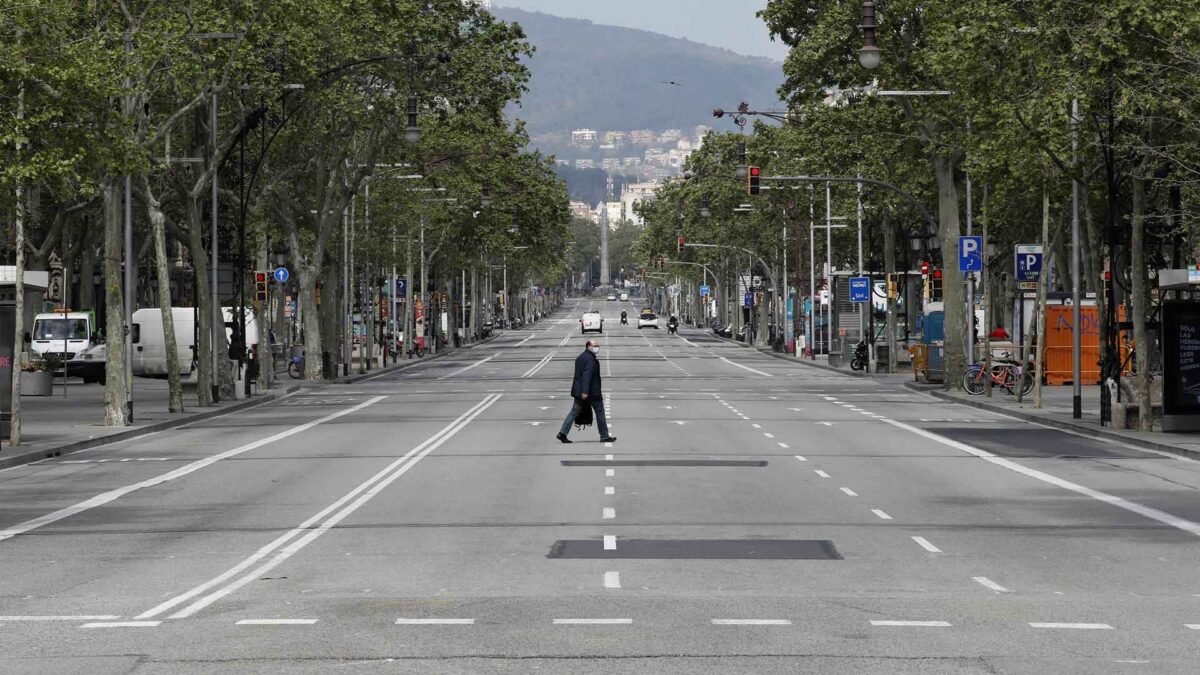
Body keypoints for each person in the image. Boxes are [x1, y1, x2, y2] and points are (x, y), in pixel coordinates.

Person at [557, 339, 616, 444]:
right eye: (595, 346)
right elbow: (586, 376)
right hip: (591, 392)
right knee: (600, 412)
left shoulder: (581, 357)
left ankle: (562, 433)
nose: (597, 347)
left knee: (574, 411)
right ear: (589, 346)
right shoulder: (590, 360)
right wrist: (585, 391)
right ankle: (604, 436)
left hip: (580, 390)